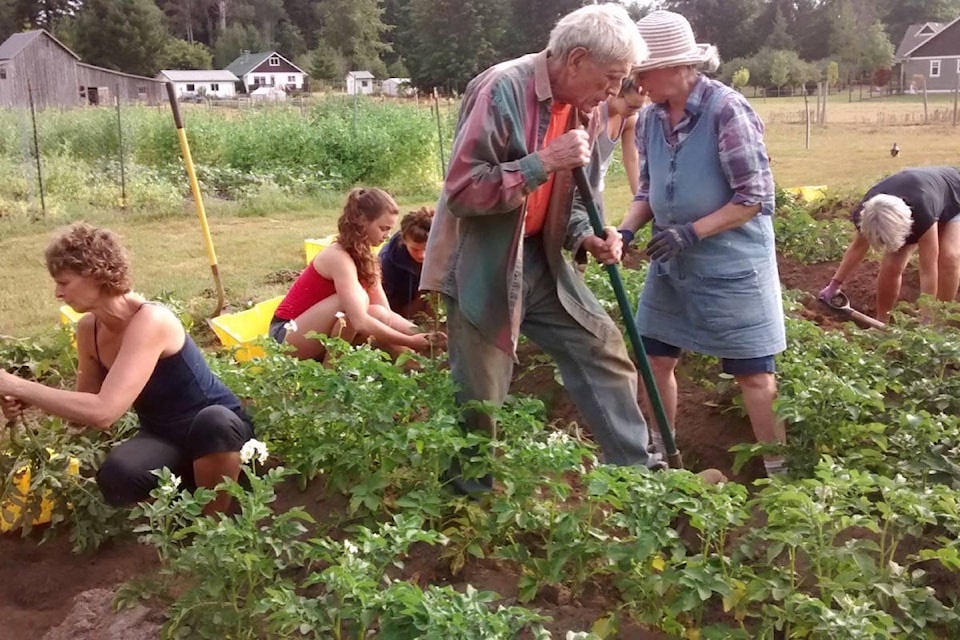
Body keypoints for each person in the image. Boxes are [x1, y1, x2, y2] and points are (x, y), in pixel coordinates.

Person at [421, 3, 722, 494]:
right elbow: (462, 192)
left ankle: (638, 477)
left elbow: (569, 197)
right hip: (483, 264)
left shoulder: (583, 105)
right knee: (482, 395)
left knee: (600, 345)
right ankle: (466, 504)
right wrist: (541, 163)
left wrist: (586, 233)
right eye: (611, 78)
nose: (613, 92)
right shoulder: (502, 89)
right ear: (577, 59)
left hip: (541, 258)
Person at [617, 10, 787, 477]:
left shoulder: (726, 110)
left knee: (753, 373)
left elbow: (753, 198)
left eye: (643, 71)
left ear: (676, 67)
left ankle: (779, 476)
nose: (638, 81)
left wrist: (691, 232)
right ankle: (660, 453)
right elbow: (647, 192)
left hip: (731, 264)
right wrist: (626, 230)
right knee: (653, 359)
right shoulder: (651, 118)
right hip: (673, 265)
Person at [0, 223, 253, 514]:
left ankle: (215, 523)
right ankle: (190, 501)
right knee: (117, 476)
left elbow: (103, 412)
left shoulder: (151, 320)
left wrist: (18, 386)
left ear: (96, 273)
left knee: (214, 422)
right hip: (164, 437)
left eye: (64, 282)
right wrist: (25, 399)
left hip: (220, 434)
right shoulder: (89, 330)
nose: (58, 293)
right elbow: (82, 415)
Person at [270, 188, 443, 361]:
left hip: (314, 334)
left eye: (390, 229)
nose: (387, 236)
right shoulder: (338, 257)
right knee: (356, 303)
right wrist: (410, 341)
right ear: (362, 221)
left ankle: (338, 367)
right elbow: (359, 320)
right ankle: (330, 372)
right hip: (285, 335)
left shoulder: (367, 257)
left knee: (379, 313)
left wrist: (428, 336)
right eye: (383, 228)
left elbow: (387, 314)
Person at [818, 166, 960, 323]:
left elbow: (928, 271)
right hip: (915, 200)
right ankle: (882, 320)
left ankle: (939, 321)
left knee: (948, 257)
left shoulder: (923, 213)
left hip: (954, 195)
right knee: (891, 265)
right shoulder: (869, 214)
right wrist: (834, 285)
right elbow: (857, 248)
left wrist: (926, 318)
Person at [379, 207, 434, 319]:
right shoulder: (387, 262)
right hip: (399, 309)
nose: (421, 255)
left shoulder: (447, 249)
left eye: (427, 249)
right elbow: (388, 306)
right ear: (403, 240)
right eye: (415, 249)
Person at [597, 76, 645, 197]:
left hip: (597, 187)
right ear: (617, 93)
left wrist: (640, 198)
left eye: (638, 108)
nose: (634, 112)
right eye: (631, 106)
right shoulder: (597, 116)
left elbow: (632, 160)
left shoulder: (629, 119)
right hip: (577, 190)